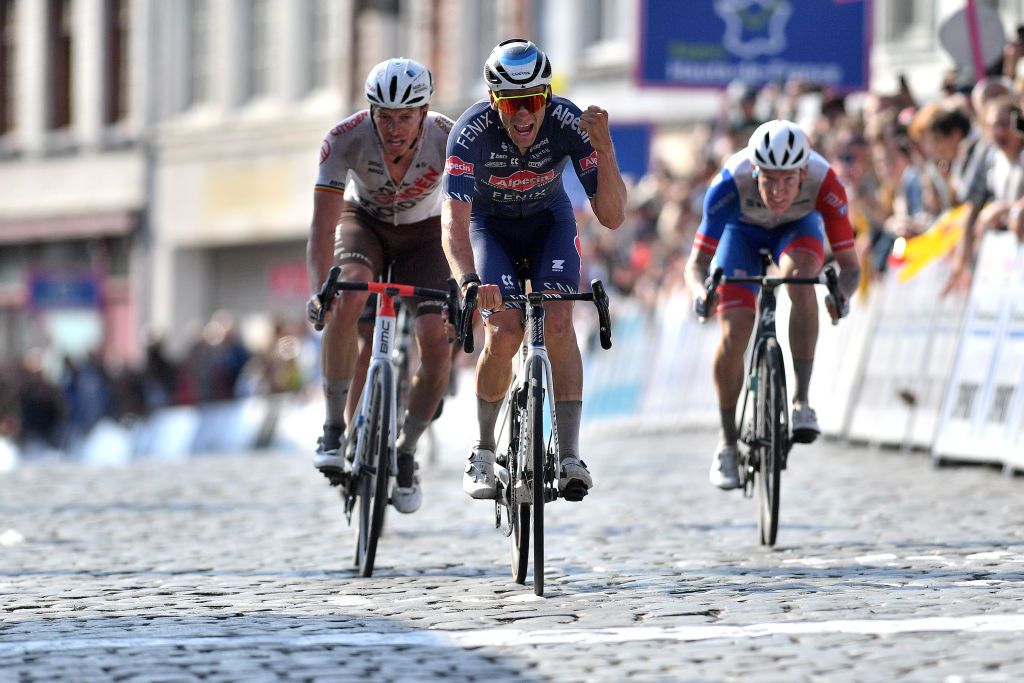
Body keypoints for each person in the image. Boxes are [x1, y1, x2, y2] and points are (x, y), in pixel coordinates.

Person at [441, 39, 627, 501]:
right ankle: (483, 452)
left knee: (560, 323)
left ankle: (569, 455)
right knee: (504, 331)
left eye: (533, 102)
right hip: (491, 228)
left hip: (549, 222)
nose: (524, 116)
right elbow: (454, 224)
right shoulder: (469, 134)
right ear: (493, 102)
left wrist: (604, 148)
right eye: (512, 104)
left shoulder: (568, 122)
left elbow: (613, 216)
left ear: (546, 97)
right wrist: (468, 282)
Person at [305, 58, 454, 515]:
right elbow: (323, 224)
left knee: (436, 341)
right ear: (370, 112)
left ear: (424, 112)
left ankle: (407, 448)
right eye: (384, 117)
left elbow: (468, 218)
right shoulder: (343, 139)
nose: (393, 127)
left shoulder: (450, 138)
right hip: (363, 224)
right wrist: (320, 290)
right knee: (348, 293)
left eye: (405, 117)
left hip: (425, 234)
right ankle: (333, 426)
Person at [685, 120, 861, 490]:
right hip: (740, 236)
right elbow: (696, 265)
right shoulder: (728, 184)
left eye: (788, 181)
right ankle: (728, 443)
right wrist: (701, 294)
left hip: (796, 233)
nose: (778, 191)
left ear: (803, 172)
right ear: (754, 172)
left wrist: (840, 296)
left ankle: (801, 402)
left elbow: (850, 268)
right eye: (768, 180)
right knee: (734, 332)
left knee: (801, 280)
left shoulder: (826, 182)